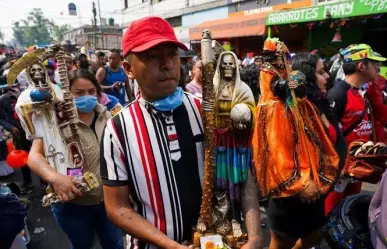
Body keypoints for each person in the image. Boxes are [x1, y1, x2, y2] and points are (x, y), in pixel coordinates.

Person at [100, 16, 263, 249]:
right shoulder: (117, 130)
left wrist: (255, 237)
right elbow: (117, 207)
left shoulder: (208, 112)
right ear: (128, 69)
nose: (167, 64)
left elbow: (242, 171)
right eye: (152, 56)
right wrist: (172, 246)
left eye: (173, 54)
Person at [252, 38, 340, 249]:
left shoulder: (311, 104)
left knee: (316, 234)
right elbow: (279, 151)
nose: (327, 76)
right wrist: (300, 184)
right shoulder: (276, 110)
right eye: (320, 72)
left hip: (316, 189)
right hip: (293, 193)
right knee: (282, 242)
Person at [26, 69, 124, 249]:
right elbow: (34, 156)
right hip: (72, 205)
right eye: (79, 93)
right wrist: (56, 178)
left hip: (110, 201)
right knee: (81, 245)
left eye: (91, 91)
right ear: (67, 94)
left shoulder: (110, 117)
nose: (86, 96)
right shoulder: (54, 121)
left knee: (115, 244)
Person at [326, 44, 387, 214]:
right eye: (374, 63)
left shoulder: (365, 91)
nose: (379, 67)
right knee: (329, 211)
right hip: (340, 170)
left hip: (359, 166)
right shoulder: (337, 94)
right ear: (361, 66)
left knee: (349, 208)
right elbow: (326, 135)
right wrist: (336, 167)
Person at [0, 83, 33, 194]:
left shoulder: (27, 94)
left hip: (33, 130)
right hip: (18, 133)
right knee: (22, 157)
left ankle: (45, 181)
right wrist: (11, 127)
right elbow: (1, 118)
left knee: (41, 154)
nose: (15, 88)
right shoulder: (3, 99)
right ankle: (28, 182)